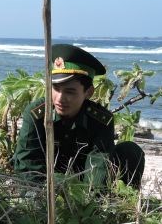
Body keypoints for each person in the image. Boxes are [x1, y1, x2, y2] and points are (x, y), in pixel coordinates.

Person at [13, 44, 145, 189]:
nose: (59, 98)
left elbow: (98, 169)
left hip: (83, 182)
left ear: (88, 92)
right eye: (55, 89)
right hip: (46, 183)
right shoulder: (37, 115)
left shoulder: (100, 121)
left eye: (70, 92)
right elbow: (27, 166)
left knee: (130, 151)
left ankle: (124, 202)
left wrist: (86, 201)